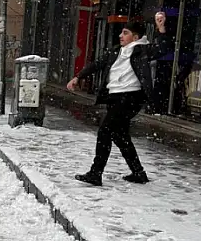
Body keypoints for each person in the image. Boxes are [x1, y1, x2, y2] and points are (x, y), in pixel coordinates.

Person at [67, 12, 172, 186]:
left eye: (125, 33)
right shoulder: (116, 51)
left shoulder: (142, 50)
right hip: (114, 97)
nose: (120, 36)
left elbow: (163, 48)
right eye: (121, 33)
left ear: (135, 37)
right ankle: (138, 173)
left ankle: (96, 173)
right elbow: (97, 64)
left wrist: (161, 28)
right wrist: (78, 77)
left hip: (130, 97)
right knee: (120, 135)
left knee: (105, 131)